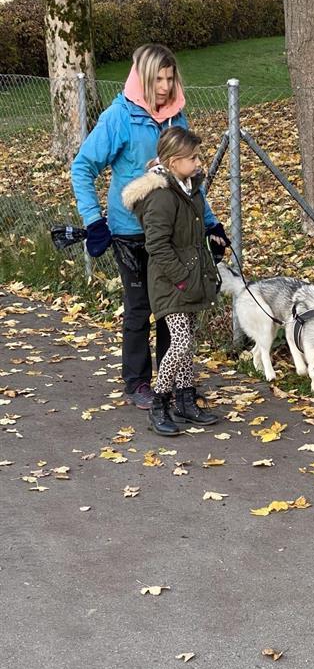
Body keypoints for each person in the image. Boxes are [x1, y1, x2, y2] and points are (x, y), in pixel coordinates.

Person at [71, 43, 230, 409]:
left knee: (172, 304)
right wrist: (94, 221)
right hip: (130, 230)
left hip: (172, 228)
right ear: (142, 78)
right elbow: (82, 168)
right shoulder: (119, 117)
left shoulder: (177, 117)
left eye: (169, 78)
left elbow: (187, 176)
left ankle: (170, 379)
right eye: (157, 78)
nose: (164, 86)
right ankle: (138, 382)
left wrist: (209, 224)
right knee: (140, 306)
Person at [122, 127, 222, 436]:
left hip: (190, 277)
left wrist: (212, 235)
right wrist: (181, 278)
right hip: (171, 282)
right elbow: (157, 246)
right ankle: (160, 403)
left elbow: (190, 233)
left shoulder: (187, 188)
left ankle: (186, 400)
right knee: (178, 342)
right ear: (174, 160)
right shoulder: (162, 196)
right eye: (192, 157)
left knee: (187, 341)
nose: (197, 162)